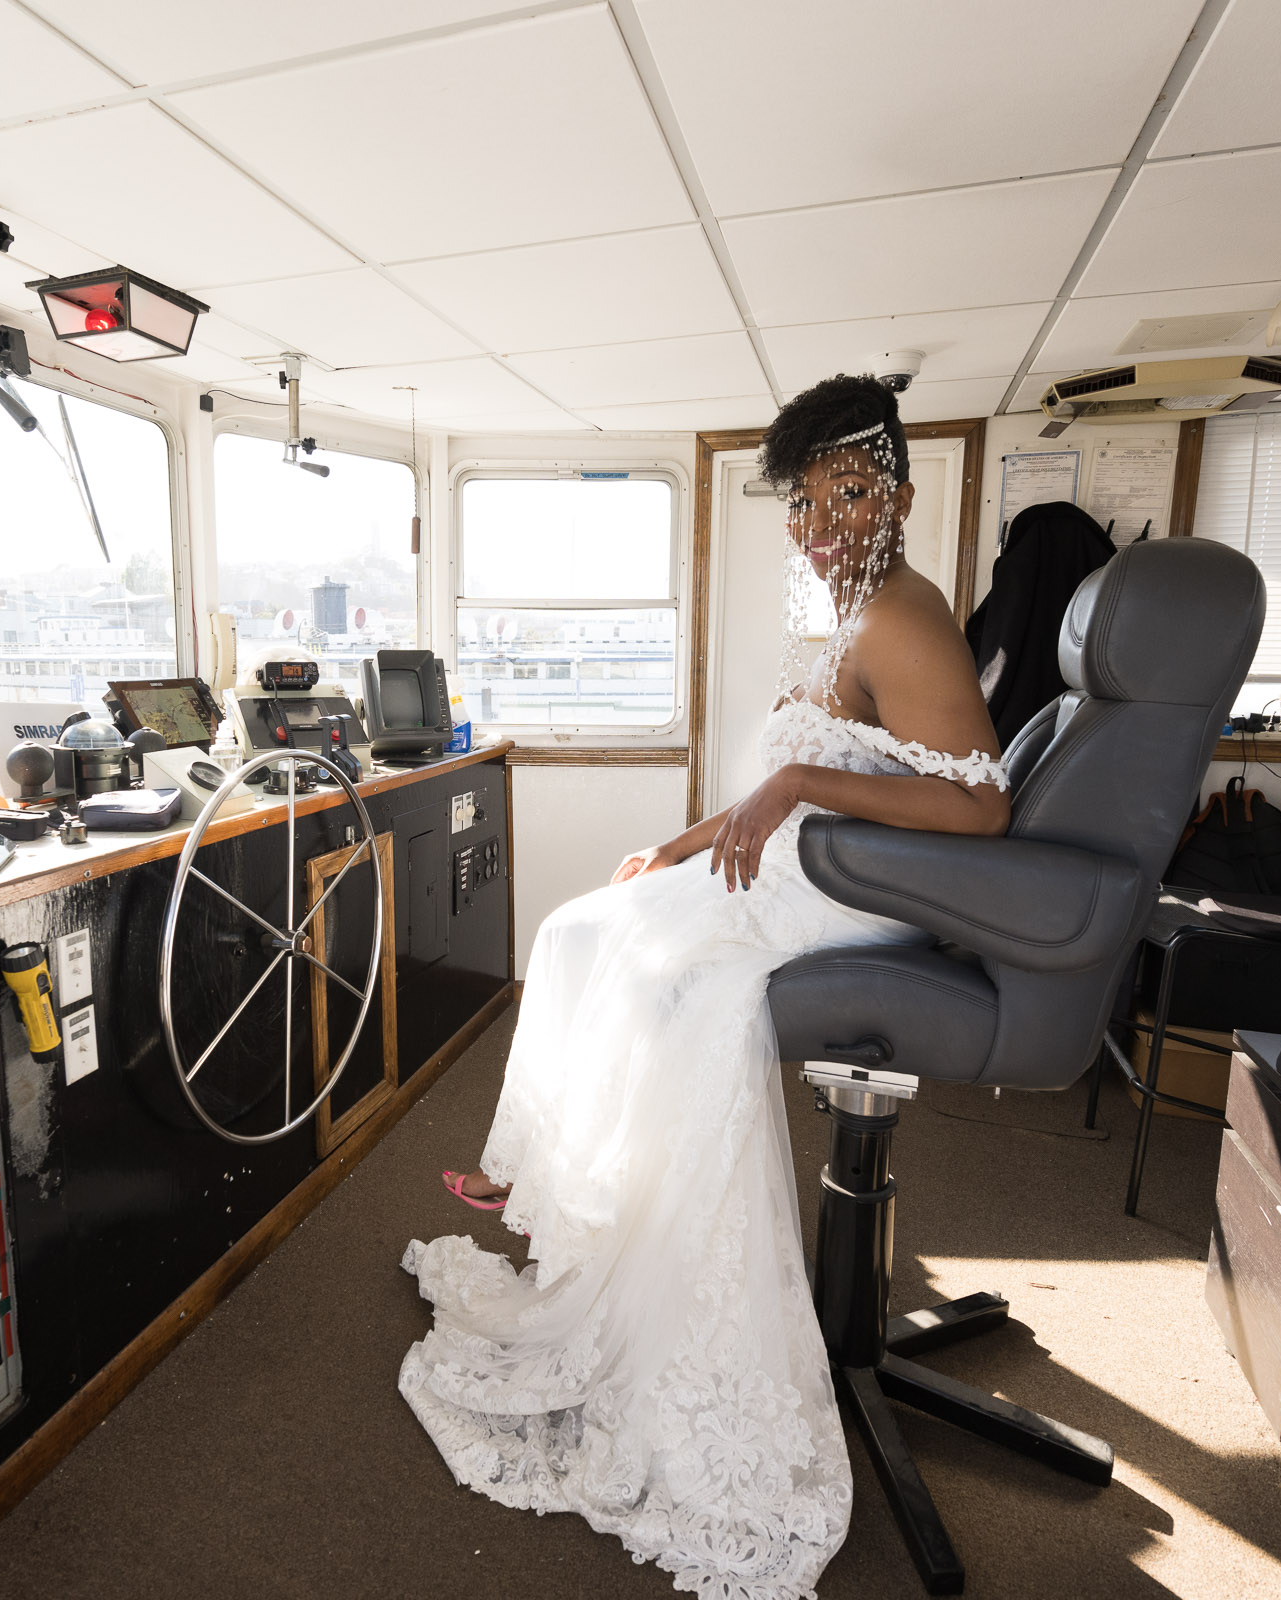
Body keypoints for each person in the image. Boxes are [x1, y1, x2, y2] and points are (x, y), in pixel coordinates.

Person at [397, 375, 1010, 1598]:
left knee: (656, 976)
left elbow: (980, 805)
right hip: (793, 852)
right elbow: (794, 768)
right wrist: (681, 843)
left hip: (845, 886)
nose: (815, 523)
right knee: (579, 925)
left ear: (886, 487)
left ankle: (614, 1220)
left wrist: (798, 796)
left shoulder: (904, 613)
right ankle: (557, 1187)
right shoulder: (838, 608)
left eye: (838, 495)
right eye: (800, 502)